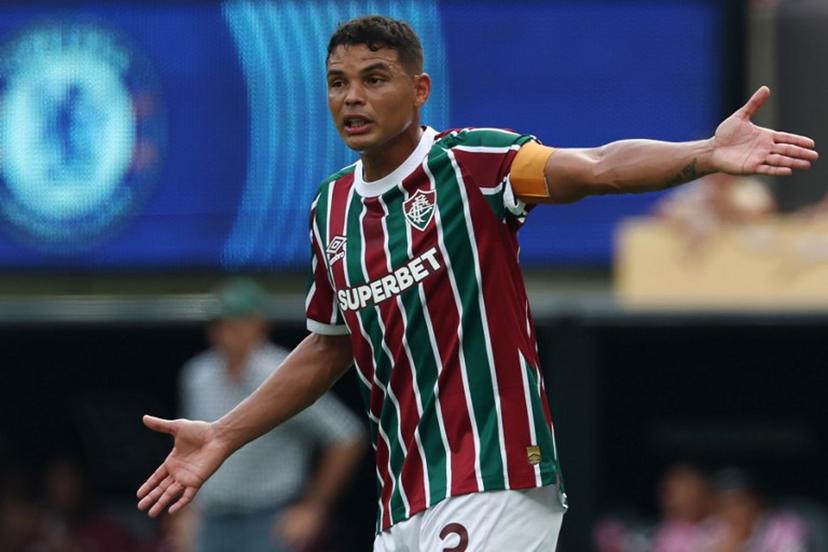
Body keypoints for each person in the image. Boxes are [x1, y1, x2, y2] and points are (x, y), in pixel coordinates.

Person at [137, 15, 818, 552]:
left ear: (419, 88)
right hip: (403, 502)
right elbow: (329, 345)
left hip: (495, 476)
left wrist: (703, 154)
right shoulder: (331, 209)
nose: (354, 96)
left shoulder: (471, 163)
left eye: (376, 78)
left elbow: (599, 166)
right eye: (339, 81)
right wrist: (225, 434)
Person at [176, 279, 365, 552]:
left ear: (257, 324)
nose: (225, 333)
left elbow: (347, 437)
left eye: (234, 323)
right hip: (211, 519)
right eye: (218, 324)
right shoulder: (198, 375)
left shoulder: (281, 373)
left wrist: (313, 507)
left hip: (269, 519)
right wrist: (187, 510)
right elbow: (191, 445)